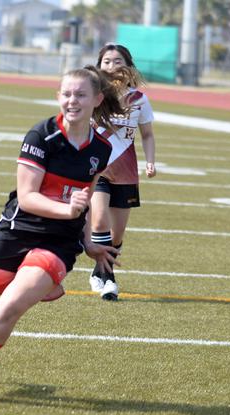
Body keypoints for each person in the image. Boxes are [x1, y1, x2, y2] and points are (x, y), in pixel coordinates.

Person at [0, 67, 122, 402]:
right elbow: (27, 197)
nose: (73, 101)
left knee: (10, 307)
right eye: (67, 94)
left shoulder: (100, 148)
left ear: (97, 100)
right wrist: (68, 209)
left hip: (58, 244)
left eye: (81, 94)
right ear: (58, 96)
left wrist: (88, 242)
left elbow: (84, 198)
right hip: (17, 230)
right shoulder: (41, 136)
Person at [90, 43, 157, 301]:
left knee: (116, 236)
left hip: (127, 170)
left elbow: (148, 135)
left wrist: (151, 161)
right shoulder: (95, 95)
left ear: (128, 65)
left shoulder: (139, 99)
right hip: (98, 169)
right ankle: (109, 280)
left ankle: (99, 269)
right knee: (98, 222)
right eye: (106, 61)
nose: (111, 66)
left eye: (117, 61)